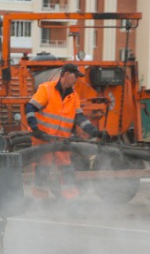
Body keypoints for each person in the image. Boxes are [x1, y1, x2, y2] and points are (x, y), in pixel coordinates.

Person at [24, 63, 104, 200]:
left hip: (61, 141)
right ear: (66, 74)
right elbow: (30, 108)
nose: (77, 80)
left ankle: (71, 200)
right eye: (75, 76)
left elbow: (79, 118)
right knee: (43, 169)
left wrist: (94, 131)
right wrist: (35, 129)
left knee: (67, 168)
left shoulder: (73, 97)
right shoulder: (46, 89)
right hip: (43, 139)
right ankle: (41, 200)